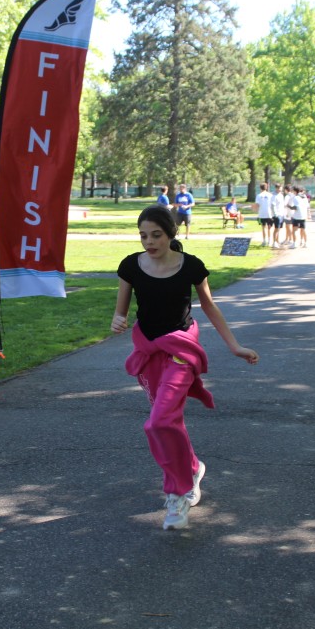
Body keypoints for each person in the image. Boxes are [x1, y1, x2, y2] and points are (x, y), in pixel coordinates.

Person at [111, 205, 258, 530]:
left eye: (156, 235)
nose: (149, 242)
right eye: (143, 236)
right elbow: (121, 310)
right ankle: (191, 468)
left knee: (158, 422)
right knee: (168, 421)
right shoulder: (130, 266)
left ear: (170, 234)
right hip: (149, 351)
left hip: (181, 349)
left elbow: (209, 306)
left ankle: (178, 492)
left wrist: (234, 346)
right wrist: (117, 320)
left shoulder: (190, 266)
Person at [253, 182, 274, 247]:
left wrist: (254, 209)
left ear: (260, 188)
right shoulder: (270, 195)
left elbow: (257, 204)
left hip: (262, 214)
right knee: (269, 228)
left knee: (263, 227)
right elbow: (272, 204)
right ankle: (269, 241)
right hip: (269, 213)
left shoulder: (259, 195)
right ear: (266, 187)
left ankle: (264, 241)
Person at [272, 184, 288, 248]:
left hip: (282, 214)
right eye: (278, 188)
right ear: (276, 188)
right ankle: (274, 242)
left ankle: (277, 241)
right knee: (276, 228)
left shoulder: (281, 195)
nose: (280, 189)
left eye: (280, 188)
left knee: (279, 229)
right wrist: (275, 214)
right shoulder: (274, 195)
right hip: (277, 215)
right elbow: (273, 205)